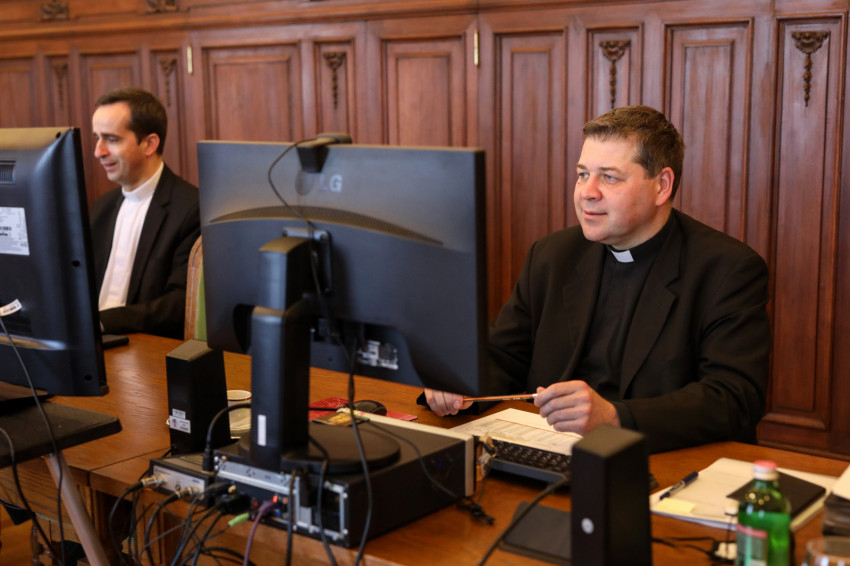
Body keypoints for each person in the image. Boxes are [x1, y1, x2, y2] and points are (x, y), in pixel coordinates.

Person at [424, 105, 770, 453]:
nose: (587, 192)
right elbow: (503, 355)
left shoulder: (726, 269)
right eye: (582, 174)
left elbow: (734, 397)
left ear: (662, 186)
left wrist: (616, 417)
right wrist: (458, 381)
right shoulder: (553, 255)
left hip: (659, 460)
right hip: (547, 449)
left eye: (609, 177)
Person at [89, 87, 200, 339]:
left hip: (146, 346)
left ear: (149, 144)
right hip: (92, 343)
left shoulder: (192, 208)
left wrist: (103, 322)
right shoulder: (102, 206)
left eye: (112, 139)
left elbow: (180, 303)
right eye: (97, 138)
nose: (98, 151)